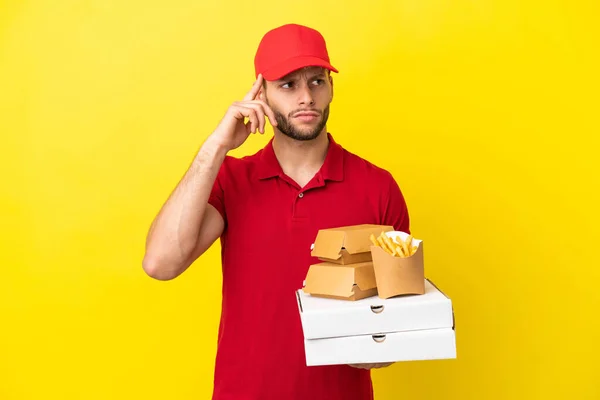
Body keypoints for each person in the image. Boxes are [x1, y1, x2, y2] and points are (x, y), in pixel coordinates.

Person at [143, 23, 411, 400]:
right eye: (288, 84)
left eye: (317, 81)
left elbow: (401, 317)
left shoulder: (378, 188)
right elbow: (160, 263)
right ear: (261, 94)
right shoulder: (230, 180)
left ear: (331, 88)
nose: (306, 98)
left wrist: (383, 347)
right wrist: (217, 146)